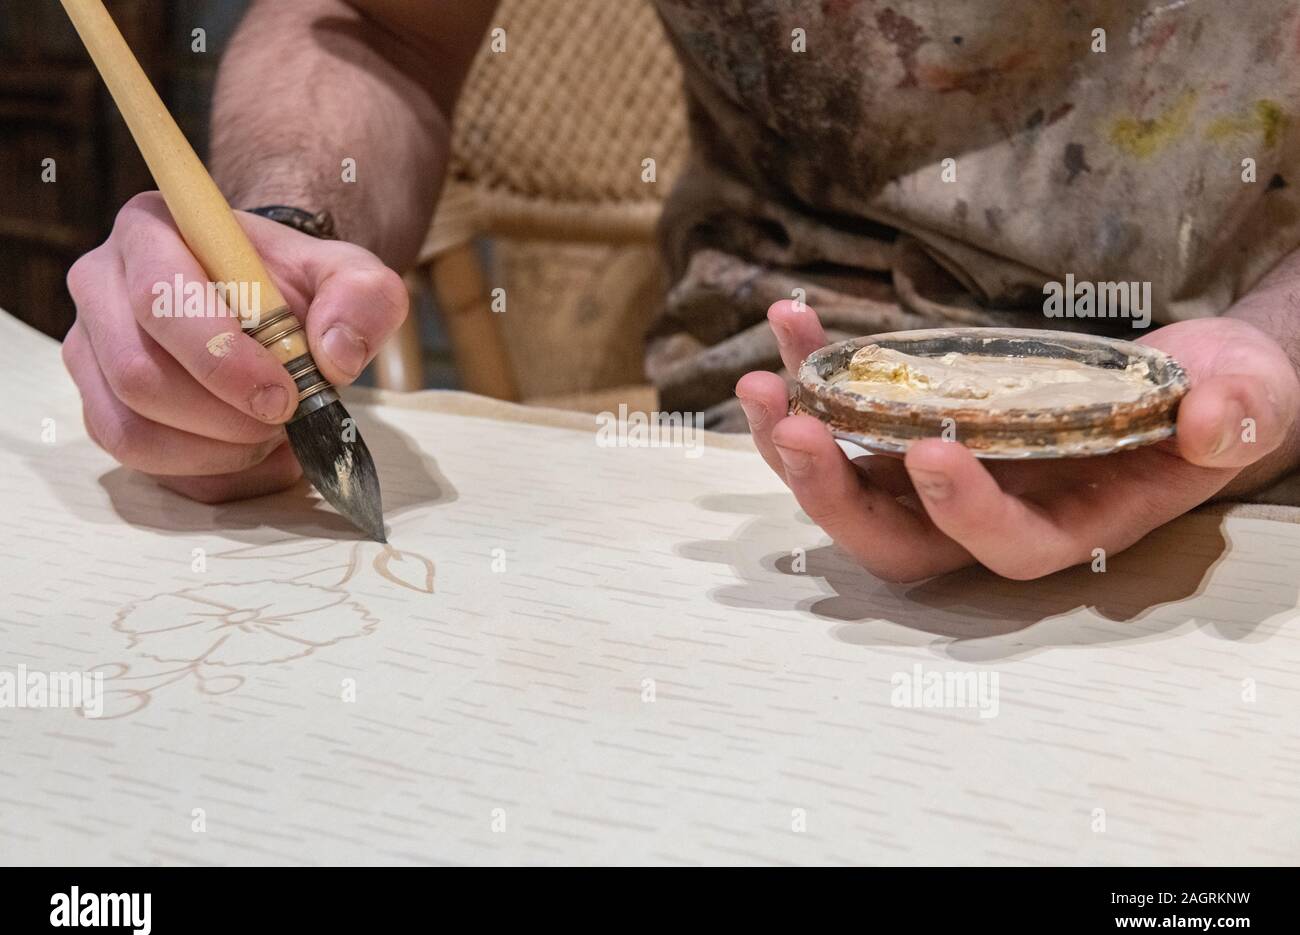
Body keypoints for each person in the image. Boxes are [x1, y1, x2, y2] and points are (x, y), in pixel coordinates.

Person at [63, 0, 1300, 581]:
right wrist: (279, 242)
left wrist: (1270, 349)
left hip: (1265, 385)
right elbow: (377, 26)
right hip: (774, 426)